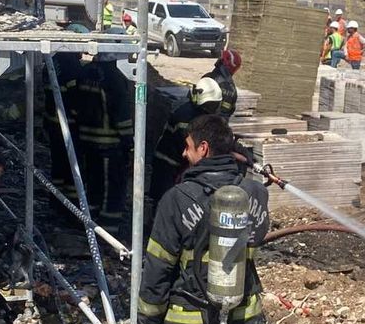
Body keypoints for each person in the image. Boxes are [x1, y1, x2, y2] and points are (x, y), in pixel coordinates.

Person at [137, 114, 270, 324]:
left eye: (188, 147)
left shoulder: (176, 199)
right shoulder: (256, 193)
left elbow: (158, 268)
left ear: (204, 148)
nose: (184, 154)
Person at [76, 53, 133, 234]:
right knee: (112, 188)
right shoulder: (115, 78)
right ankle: (108, 230)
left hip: (86, 140)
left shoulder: (84, 72)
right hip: (110, 144)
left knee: (93, 185)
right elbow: (121, 114)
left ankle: (89, 224)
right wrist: (128, 143)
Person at [149, 78, 223, 209]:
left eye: (214, 104)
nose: (213, 108)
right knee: (165, 201)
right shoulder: (186, 116)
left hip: (178, 164)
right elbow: (194, 146)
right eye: (211, 104)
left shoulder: (200, 114)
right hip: (168, 163)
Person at [42, 52, 83, 213]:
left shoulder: (52, 62)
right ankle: (74, 208)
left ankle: (56, 203)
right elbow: (76, 97)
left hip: (54, 123)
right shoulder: (71, 64)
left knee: (58, 166)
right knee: (73, 169)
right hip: (69, 126)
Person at [203, 49, 241, 118]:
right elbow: (230, 111)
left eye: (221, 58)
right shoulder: (232, 88)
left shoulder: (209, 78)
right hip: (221, 126)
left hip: (203, 124)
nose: (218, 59)